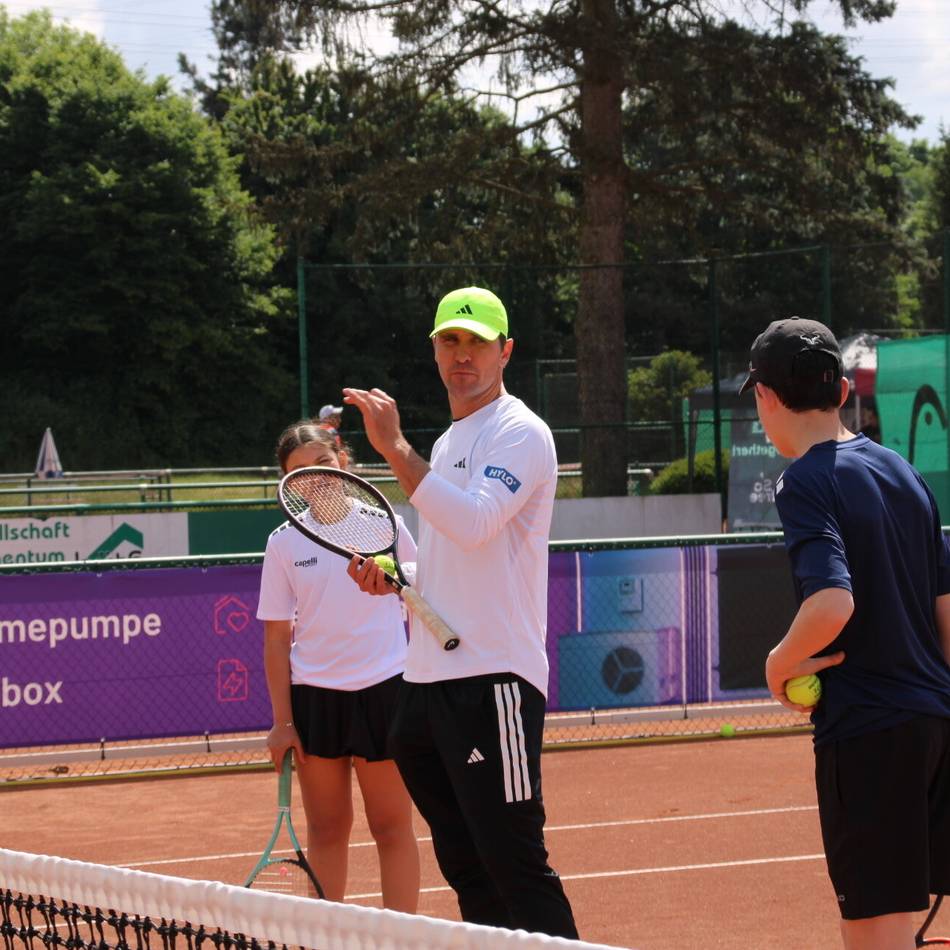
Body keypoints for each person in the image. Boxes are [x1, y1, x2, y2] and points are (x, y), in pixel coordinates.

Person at [342, 286, 578, 939]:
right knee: (468, 869)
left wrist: (393, 450)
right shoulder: (447, 444)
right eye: (450, 341)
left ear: (506, 351)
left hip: (492, 680)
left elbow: (475, 524)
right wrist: (399, 577)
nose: (462, 355)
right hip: (425, 691)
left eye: (476, 342)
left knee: (515, 866)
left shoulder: (520, 432)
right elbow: (454, 562)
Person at [741, 316, 950, 950]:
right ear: (838, 391)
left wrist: (778, 663)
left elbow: (833, 603)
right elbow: (946, 612)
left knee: (875, 928)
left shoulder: (804, 479)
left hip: (867, 729)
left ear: (766, 397)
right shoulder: (903, 472)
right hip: (935, 724)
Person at [255, 421, 420, 911]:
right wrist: (283, 723)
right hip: (315, 701)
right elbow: (276, 637)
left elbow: (420, 597)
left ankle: (400, 944)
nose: (316, 477)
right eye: (299, 472)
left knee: (392, 827)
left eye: (323, 463)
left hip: (388, 691)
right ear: (287, 484)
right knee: (327, 831)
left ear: (342, 459)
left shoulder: (384, 522)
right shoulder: (283, 543)